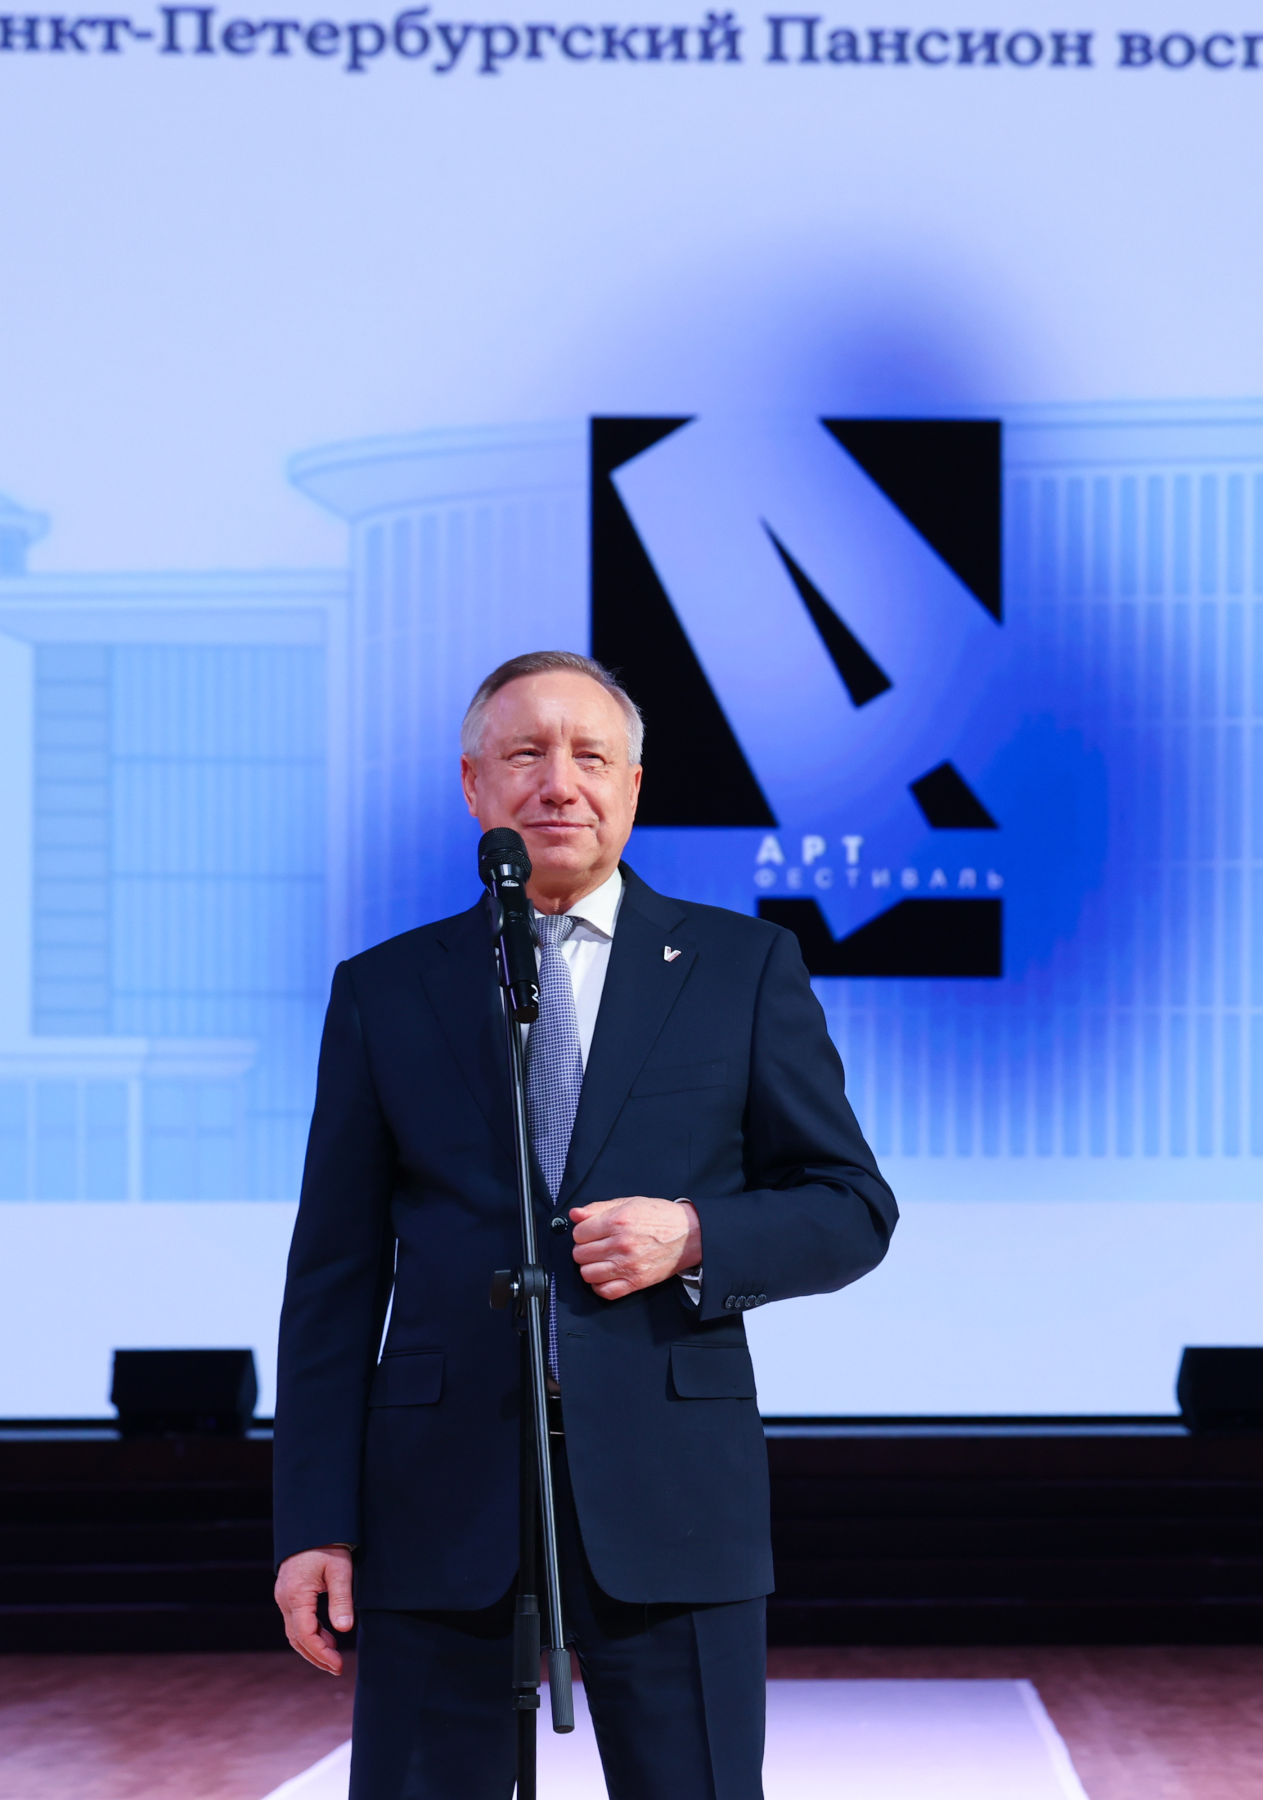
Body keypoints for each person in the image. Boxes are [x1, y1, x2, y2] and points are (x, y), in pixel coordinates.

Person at [271, 650, 897, 1800]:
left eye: (591, 756)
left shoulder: (741, 968)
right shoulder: (386, 990)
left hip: (673, 1502)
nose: (560, 783)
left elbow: (851, 1206)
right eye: (526, 754)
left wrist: (695, 1236)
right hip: (439, 1507)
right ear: (474, 785)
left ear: (633, 787)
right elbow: (333, 1280)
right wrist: (315, 1521)